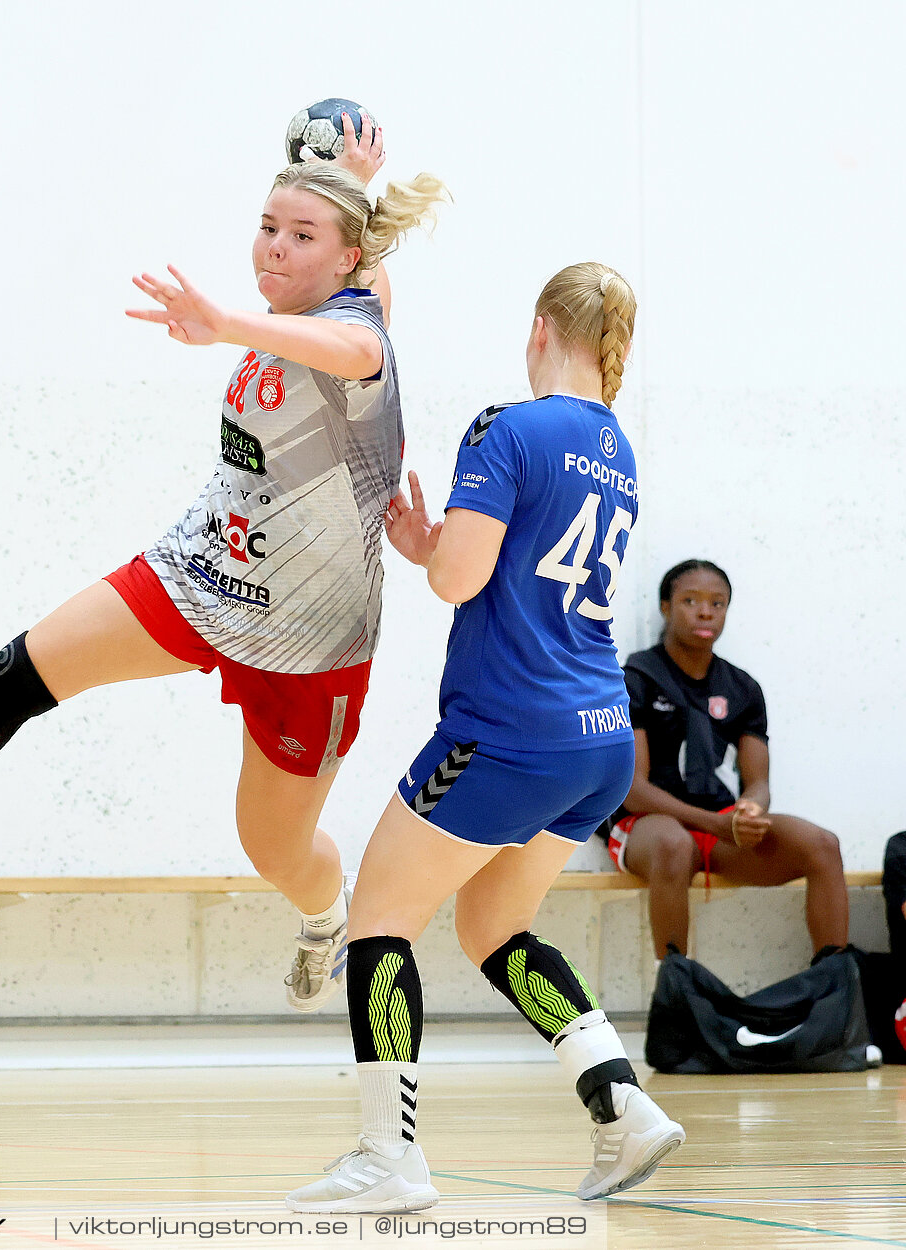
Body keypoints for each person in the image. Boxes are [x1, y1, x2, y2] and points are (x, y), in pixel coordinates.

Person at [0, 158, 445, 1017]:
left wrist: (226, 322)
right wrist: (338, 170)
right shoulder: (308, 296)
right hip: (201, 571)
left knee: (273, 848)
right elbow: (334, 248)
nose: (273, 247)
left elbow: (349, 344)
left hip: (310, 636)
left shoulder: (360, 335)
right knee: (20, 673)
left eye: (302, 236)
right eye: (268, 225)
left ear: (350, 263)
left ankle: (320, 912)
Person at [287, 262, 684, 1214]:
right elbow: (514, 568)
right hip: (597, 738)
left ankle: (389, 1158)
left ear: (541, 324)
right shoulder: (617, 448)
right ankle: (620, 1105)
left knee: (379, 914)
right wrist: (445, 548)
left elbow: (462, 582)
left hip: (510, 729)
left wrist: (434, 556)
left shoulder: (508, 426)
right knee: (492, 926)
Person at [603, 560, 848, 965]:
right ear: (665, 607)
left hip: (717, 825)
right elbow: (633, 791)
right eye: (691, 601)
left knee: (822, 844)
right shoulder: (636, 678)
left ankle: (834, 985)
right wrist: (716, 822)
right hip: (646, 827)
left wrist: (750, 809)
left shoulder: (742, 687)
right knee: (673, 844)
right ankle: (677, 992)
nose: (705, 612)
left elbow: (758, 781)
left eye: (718, 603)